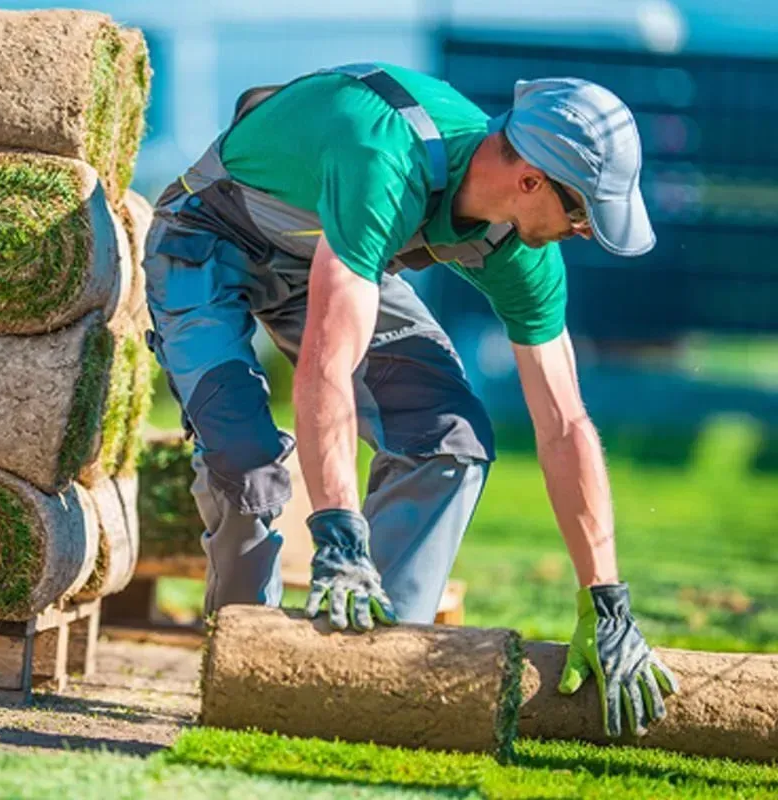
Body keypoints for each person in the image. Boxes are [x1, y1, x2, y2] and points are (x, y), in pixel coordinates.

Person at [140, 62, 678, 738]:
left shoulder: (521, 251)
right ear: (531, 179)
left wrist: (607, 601)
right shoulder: (383, 158)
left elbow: (565, 422)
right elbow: (326, 367)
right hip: (206, 240)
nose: (583, 232)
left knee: (448, 440)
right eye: (580, 212)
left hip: (333, 259)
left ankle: (360, 679)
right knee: (247, 465)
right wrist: (336, 532)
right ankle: (250, 681)